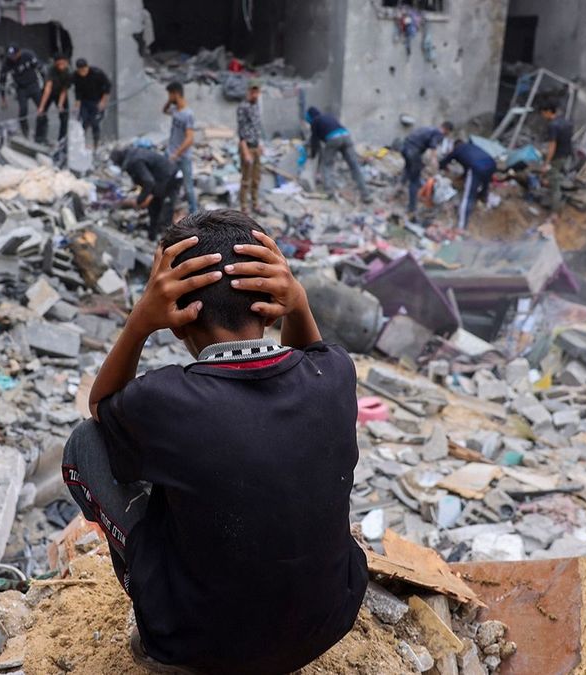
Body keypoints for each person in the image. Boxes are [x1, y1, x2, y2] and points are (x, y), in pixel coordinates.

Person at [62, 209, 367, 674]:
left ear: (177, 320)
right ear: (272, 299)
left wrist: (140, 321)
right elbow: (314, 356)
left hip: (195, 646)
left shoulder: (163, 399)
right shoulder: (337, 375)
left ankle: (155, 601)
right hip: (325, 625)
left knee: (86, 444)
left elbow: (99, 406)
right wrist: (299, 304)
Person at [110, 145, 183, 240]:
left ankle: (167, 241)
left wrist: (140, 200)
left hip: (171, 178)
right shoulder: (134, 154)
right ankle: (152, 237)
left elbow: (148, 182)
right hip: (162, 180)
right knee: (154, 208)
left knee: (166, 211)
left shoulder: (135, 161)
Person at [305, 106, 372, 204]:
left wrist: (312, 154)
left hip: (333, 138)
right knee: (354, 166)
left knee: (327, 165)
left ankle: (329, 192)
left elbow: (314, 141)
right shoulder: (328, 117)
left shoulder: (315, 121)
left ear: (310, 116)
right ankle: (366, 194)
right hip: (346, 136)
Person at [440, 138, 498, 231]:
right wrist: (462, 177)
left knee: (468, 197)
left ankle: (461, 226)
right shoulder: (471, 147)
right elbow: (468, 166)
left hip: (477, 167)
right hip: (491, 164)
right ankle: (484, 198)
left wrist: (441, 166)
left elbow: (445, 161)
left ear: (455, 145)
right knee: (485, 186)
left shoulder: (457, 149)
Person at [163, 82, 198, 213]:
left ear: (176, 93)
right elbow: (164, 110)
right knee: (169, 183)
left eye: (170, 94)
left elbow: (190, 139)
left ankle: (194, 213)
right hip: (171, 153)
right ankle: (169, 210)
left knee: (188, 187)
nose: (169, 97)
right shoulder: (175, 110)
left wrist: (177, 153)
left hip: (182, 156)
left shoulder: (188, 114)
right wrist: (170, 100)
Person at [0, 44, 45, 139]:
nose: (13, 58)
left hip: (33, 85)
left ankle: (41, 135)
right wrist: (3, 99)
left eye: (15, 55)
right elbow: (2, 81)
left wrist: (45, 88)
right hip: (21, 88)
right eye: (11, 56)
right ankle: (25, 133)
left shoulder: (27, 55)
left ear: (19, 52)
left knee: (42, 110)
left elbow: (41, 69)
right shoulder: (7, 63)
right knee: (23, 112)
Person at [400, 123, 448, 215]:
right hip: (413, 152)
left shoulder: (427, 127)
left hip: (405, 147)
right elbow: (433, 146)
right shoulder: (438, 133)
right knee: (414, 180)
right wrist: (435, 161)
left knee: (408, 167)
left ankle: (400, 185)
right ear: (447, 130)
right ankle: (412, 208)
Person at [539, 101, 575, 213]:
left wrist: (547, 162)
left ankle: (554, 212)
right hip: (566, 155)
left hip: (557, 157)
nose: (543, 116)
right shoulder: (566, 122)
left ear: (549, 112)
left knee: (554, 184)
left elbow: (552, 145)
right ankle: (556, 202)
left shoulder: (553, 125)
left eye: (543, 113)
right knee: (558, 177)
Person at [236, 82, 265, 214]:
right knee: (246, 179)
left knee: (256, 178)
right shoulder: (243, 107)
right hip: (247, 147)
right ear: (248, 92)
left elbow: (256, 127)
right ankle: (244, 206)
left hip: (255, 145)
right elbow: (241, 131)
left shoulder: (256, 106)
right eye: (252, 92)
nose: (255, 95)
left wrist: (259, 144)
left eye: (257, 92)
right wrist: (245, 151)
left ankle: (255, 203)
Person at [72, 58, 112, 149]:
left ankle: (96, 144)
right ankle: (81, 144)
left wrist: (103, 101)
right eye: (80, 71)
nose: (82, 73)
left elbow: (108, 86)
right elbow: (77, 90)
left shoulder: (97, 73)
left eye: (84, 70)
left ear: (87, 67)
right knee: (84, 121)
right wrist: (77, 104)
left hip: (97, 101)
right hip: (84, 102)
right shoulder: (76, 76)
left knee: (95, 122)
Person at [36, 54, 72, 147]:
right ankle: (39, 138)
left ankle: (61, 140)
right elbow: (48, 89)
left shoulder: (68, 72)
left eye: (63, 64)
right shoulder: (51, 70)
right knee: (41, 114)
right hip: (49, 92)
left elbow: (64, 90)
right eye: (59, 64)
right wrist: (41, 107)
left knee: (64, 116)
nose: (61, 66)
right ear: (56, 64)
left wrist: (60, 104)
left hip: (60, 93)